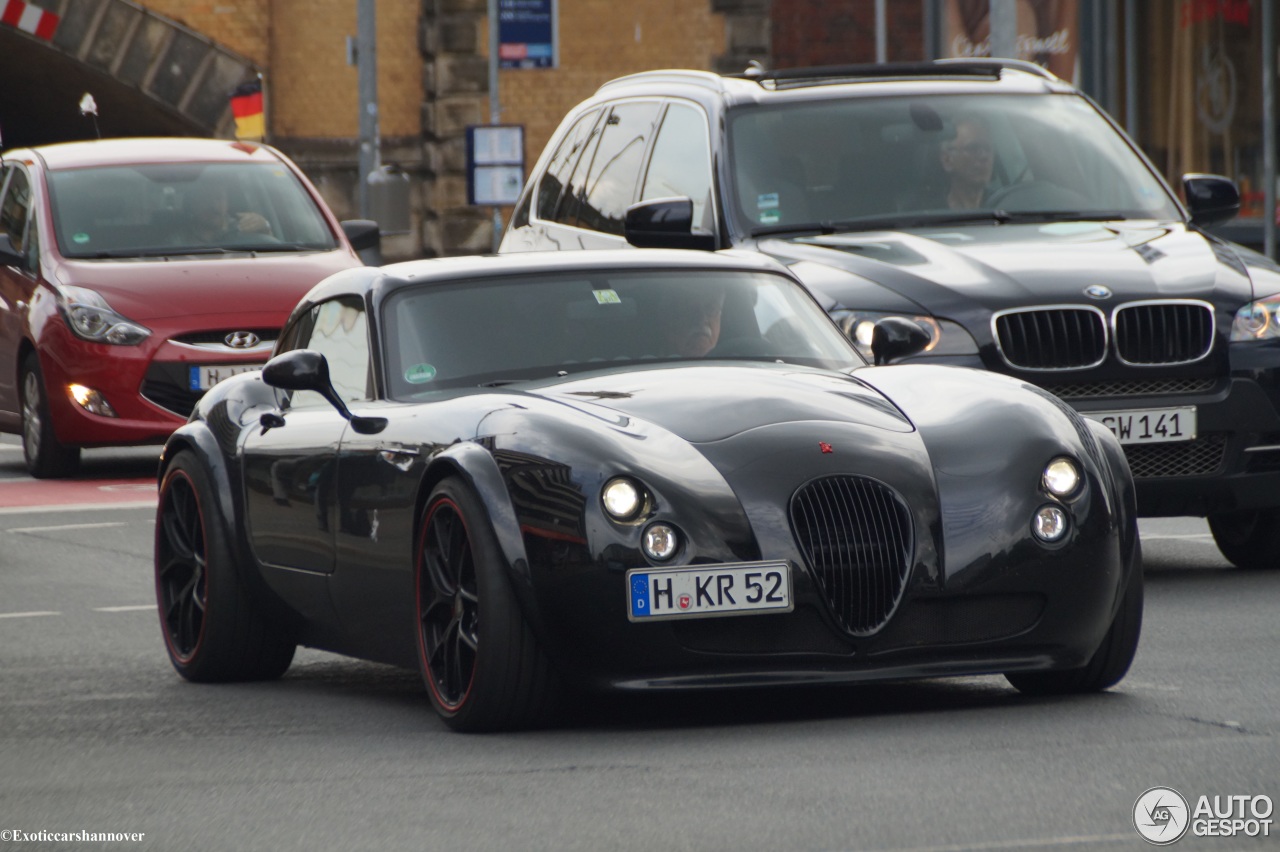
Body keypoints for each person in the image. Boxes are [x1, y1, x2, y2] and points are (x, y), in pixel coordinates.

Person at [176, 182, 272, 244]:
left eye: (219, 198)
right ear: (192, 203)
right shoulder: (176, 237)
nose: (214, 205)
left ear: (227, 203)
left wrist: (265, 228)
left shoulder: (246, 227)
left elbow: (273, 252)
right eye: (206, 198)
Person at [938, 117, 995, 209]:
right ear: (947, 160)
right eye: (973, 148)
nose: (984, 156)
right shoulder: (929, 214)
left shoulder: (1005, 206)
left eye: (987, 148)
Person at [661, 286, 725, 357]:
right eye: (690, 310)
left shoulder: (735, 364)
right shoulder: (650, 365)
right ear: (669, 324)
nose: (702, 319)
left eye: (711, 310)